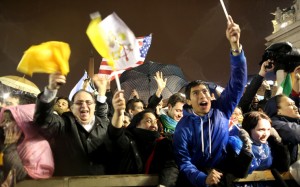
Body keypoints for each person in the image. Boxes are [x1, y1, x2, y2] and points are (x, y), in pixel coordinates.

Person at [173, 16, 248, 187]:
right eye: (196, 93)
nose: (202, 96)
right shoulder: (183, 127)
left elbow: (237, 84)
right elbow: (183, 161)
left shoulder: (222, 110)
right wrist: (202, 178)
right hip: (194, 182)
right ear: (189, 101)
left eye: (205, 91)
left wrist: (235, 48)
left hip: (222, 178)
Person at [33, 72, 110, 176]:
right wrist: (51, 90)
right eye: (78, 103)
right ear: (71, 108)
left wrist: (102, 91)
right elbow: (43, 120)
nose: (84, 105)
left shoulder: (103, 123)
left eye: (88, 102)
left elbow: (102, 112)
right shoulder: (63, 123)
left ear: (94, 106)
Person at [110, 92, 179, 186]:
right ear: (136, 124)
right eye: (149, 121)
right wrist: (118, 113)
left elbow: (170, 165)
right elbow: (115, 135)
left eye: (155, 121)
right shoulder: (128, 140)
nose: (154, 125)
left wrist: (164, 184)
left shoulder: (163, 143)